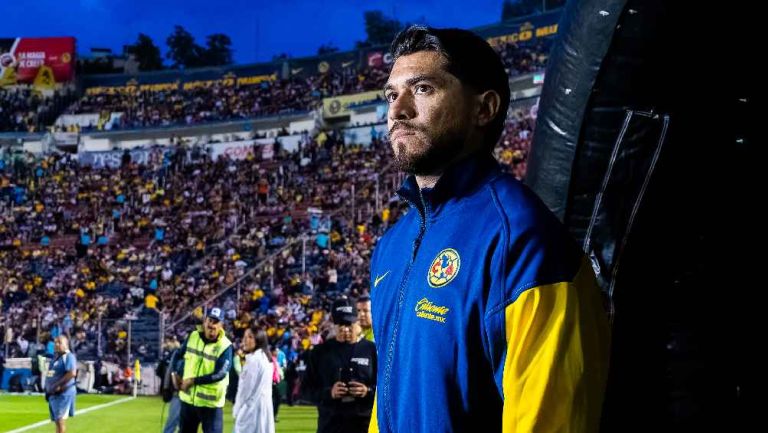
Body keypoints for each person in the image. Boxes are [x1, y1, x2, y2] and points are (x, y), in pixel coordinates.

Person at [368, 26, 610, 433]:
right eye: (392, 95)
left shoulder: (524, 240)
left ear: (484, 108)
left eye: (422, 89)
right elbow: (389, 396)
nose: (398, 110)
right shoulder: (391, 246)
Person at [302, 298, 376, 433]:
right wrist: (329, 392)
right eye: (340, 324)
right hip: (330, 424)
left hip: (363, 424)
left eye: (349, 323)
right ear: (333, 323)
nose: (345, 329)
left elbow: (387, 388)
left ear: (357, 321)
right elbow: (305, 390)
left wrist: (367, 391)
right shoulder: (319, 352)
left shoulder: (372, 350)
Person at [174, 307, 233, 433]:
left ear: (221, 325)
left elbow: (220, 374)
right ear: (205, 321)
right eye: (210, 320)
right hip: (188, 401)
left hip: (211, 405)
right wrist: (176, 373)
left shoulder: (225, 346)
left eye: (216, 322)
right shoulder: (193, 336)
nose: (212, 325)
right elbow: (178, 355)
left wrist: (193, 381)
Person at [233, 325, 274, 433]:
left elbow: (245, 390)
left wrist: (237, 410)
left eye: (250, 337)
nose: (245, 340)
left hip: (251, 411)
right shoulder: (265, 358)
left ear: (258, 340)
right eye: (244, 336)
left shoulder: (253, 361)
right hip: (263, 408)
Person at [46, 335, 77, 433]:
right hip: (54, 393)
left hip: (63, 392)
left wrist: (58, 385)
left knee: (60, 420)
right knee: (57, 420)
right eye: (55, 342)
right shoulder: (56, 357)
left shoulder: (68, 356)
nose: (56, 345)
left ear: (66, 345)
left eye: (59, 342)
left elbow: (72, 373)